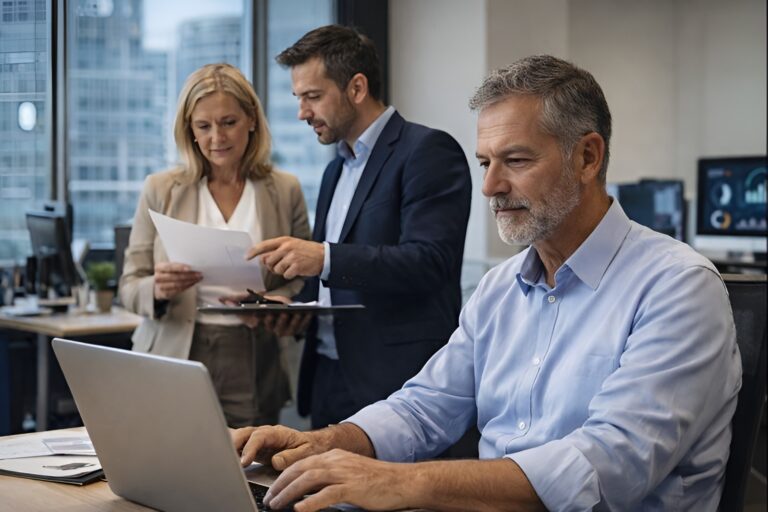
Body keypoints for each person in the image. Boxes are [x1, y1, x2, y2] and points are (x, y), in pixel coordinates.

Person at [232, 55, 742, 511]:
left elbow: (607, 465)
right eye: (485, 162)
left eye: (515, 161)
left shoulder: (678, 286)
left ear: (587, 157)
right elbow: (424, 407)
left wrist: (401, 484)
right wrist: (324, 443)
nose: (490, 187)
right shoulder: (501, 288)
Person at [246, 25, 472, 428]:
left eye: (313, 97)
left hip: (398, 384)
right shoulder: (335, 169)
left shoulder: (427, 152)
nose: (302, 113)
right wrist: (292, 310)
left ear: (357, 87)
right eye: (299, 98)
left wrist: (323, 256)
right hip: (328, 381)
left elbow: (430, 261)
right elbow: (329, 279)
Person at [120, 63, 310, 428]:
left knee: (247, 473)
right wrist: (156, 288)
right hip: (176, 349)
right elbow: (130, 284)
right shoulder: (160, 189)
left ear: (251, 119)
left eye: (228, 122)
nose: (216, 138)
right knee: (172, 464)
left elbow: (303, 277)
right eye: (203, 126)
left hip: (253, 354)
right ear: (189, 130)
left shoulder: (285, 190)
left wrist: (283, 300)